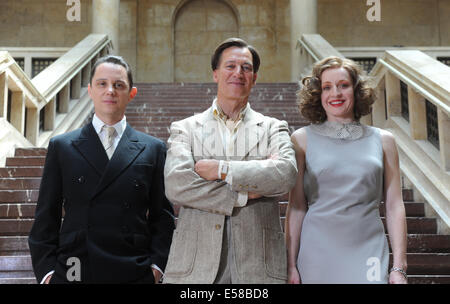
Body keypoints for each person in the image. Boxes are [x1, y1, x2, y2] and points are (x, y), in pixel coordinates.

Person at [28, 55, 175, 284]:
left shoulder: (153, 148)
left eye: (119, 85)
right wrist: (47, 273)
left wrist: (156, 267)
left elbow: (162, 217)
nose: (110, 91)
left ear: (132, 93)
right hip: (74, 269)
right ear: (90, 90)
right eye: (102, 84)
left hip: (133, 269)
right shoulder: (62, 146)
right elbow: (46, 216)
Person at [162, 38, 297, 284]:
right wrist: (244, 194)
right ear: (215, 74)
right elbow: (177, 185)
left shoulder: (272, 127)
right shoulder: (186, 128)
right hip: (195, 267)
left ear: (254, 78)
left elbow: (285, 175)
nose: (238, 73)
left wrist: (222, 170)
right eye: (230, 66)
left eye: (246, 68)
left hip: (259, 264)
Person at [285, 56, 408, 284]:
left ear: (356, 90)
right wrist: (290, 265)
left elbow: (394, 206)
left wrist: (399, 267)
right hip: (317, 253)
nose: (336, 94)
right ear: (318, 94)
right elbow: (297, 207)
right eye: (327, 87)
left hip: (368, 250)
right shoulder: (301, 140)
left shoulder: (384, 141)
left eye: (343, 85)